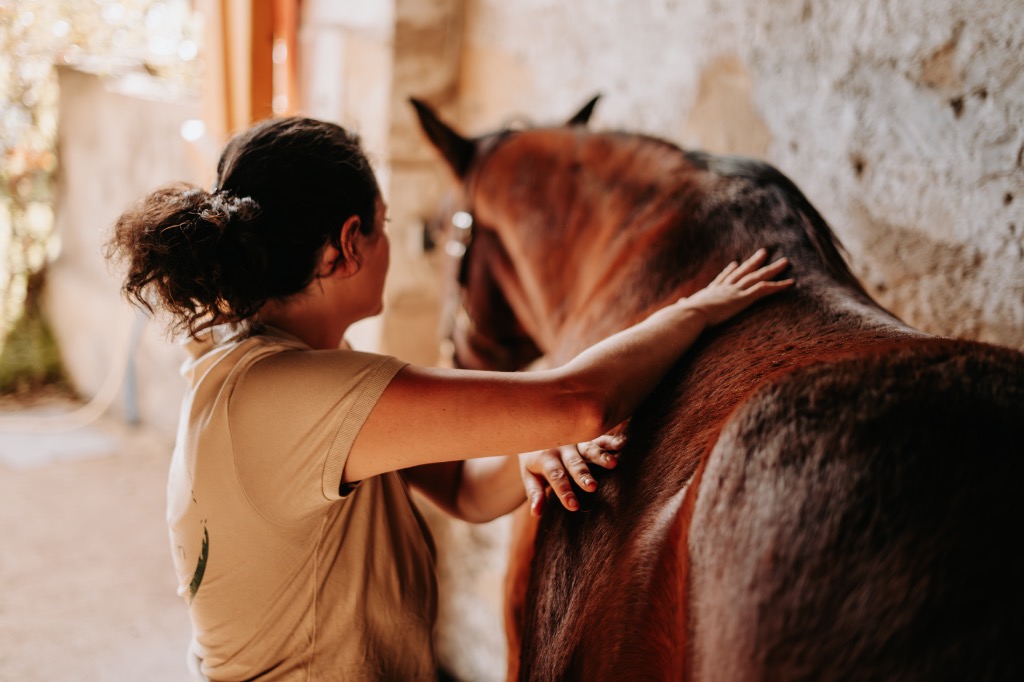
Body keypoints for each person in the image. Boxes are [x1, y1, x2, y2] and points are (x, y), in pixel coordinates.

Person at [105, 116, 792, 681]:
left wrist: (527, 453)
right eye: (382, 227)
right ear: (345, 247)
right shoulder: (298, 396)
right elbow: (582, 402)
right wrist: (696, 309)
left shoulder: (260, 369)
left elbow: (466, 490)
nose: (391, 247)